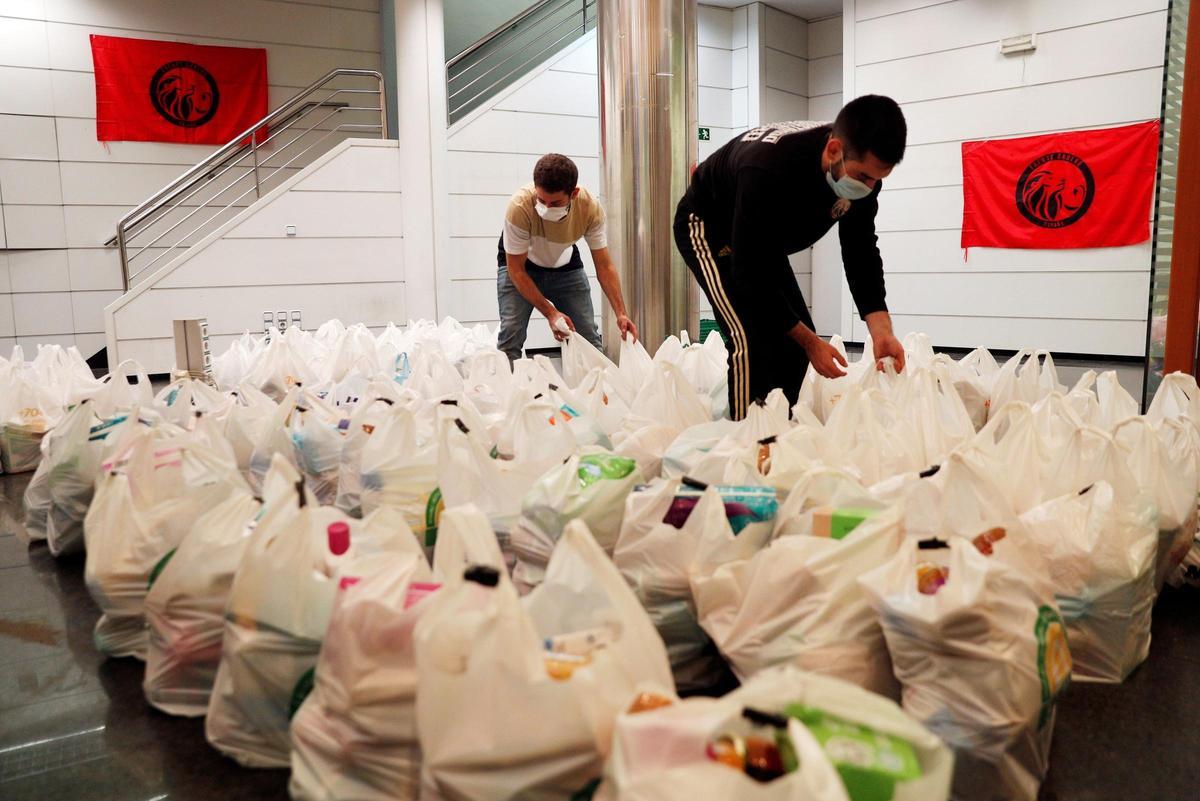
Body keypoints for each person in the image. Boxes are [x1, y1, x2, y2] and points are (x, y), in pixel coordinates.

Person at [673, 94, 908, 420]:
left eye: (877, 180)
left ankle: (777, 431)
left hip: (761, 239)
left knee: (792, 345)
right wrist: (813, 343)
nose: (869, 188)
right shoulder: (768, 168)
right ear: (834, 150)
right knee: (750, 338)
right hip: (710, 228)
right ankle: (750, 443)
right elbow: (749, 272)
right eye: (864, 177)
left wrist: (882, 333)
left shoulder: (862, 177)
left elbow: (861, 252)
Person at [497, 153, 637, 362]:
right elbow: (515, 270)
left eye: (555, 203)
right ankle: (509, 391)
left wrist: (621, 313)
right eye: (541, 200)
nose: (546, 208)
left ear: (573, 193)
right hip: (522, 268)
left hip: (565, 268)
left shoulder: (589, 208)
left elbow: (604, 266)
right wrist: (551, 313)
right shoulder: (519, 207)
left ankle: (597, 393)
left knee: (588, 336)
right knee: (511, 335)